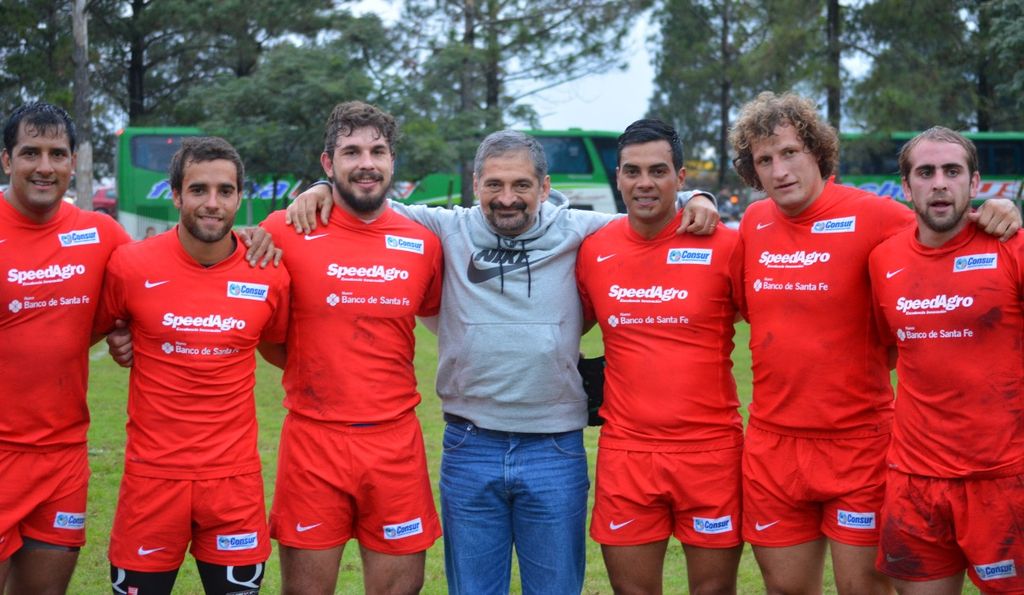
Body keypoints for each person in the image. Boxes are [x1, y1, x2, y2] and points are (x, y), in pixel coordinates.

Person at [286, 127, 719, 594]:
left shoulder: (582, 228)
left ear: (546, 188)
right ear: (476, 185)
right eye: (494, 184)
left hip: (554, 449)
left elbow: (648, 207)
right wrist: (322, 185)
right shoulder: (444, 228)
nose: (506, 198)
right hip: (470, 444)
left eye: (521, 186)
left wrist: (699, 194)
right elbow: (365, 194)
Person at [729, 91, 1021, 594]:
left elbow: (943, 230)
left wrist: (996, 210)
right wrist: (702, 199)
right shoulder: (753, 223)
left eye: (790, 153)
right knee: (784, 589)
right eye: (765, 160)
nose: (780, 170)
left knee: (863, 589)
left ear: (817, 152)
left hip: (859, 445)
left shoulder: (877, 215)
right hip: (773, 444)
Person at [259, 101, 445, 595]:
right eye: (351, 151)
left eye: (378, 151)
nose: (366, 162)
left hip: (395, 446)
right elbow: (254, 323)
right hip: (312, 443)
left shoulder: (423, 243)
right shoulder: (284, 229)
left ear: (391, 160)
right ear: (327, 164)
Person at [93, 137, 290, 594]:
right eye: (198, 190)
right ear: (177, 195)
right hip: (151, 482)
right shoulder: (130, 266)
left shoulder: (269, 273)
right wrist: (122, 336)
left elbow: (281, 348)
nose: (212, 203)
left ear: (240, 197)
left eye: (225, 191)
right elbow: (96, 328)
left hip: (234, 484)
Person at [576, 119, 744, 593]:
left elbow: (780, 324)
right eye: (632, 171)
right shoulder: (593, 251)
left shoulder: (725, 246)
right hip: (627, 453)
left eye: (657, 171)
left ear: (681, 177)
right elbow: (561, 327)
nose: (644, 183)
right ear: (618, 177)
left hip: (710, 452)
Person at [869, 127, 1024, 594]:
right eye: (926, 172)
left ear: (974, 184)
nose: (939, 183)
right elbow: (891, 350)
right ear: (906, 186)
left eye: (952, 171)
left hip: (1002, 480)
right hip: (915, 481)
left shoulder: (1011, 247)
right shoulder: (883, 260)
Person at [0, 102, 131, 594]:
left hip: (63, 458)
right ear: (7, 160)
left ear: (74, 162)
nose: (45, 167)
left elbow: (169, 272)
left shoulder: (100, 234)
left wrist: (129, 330)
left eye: (58, 153)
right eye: (30, 152)